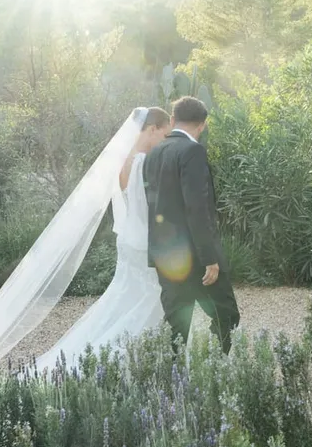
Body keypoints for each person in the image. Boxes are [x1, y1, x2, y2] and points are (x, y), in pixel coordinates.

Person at [32, 106, 170, 370]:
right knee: (150, 301)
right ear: (152, 129)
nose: (165, 143)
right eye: (164, 135)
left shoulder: (122, 162)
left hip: (127, 240)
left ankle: (100, 356)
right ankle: (133, 363)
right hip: (145, 243)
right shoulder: (145, 163)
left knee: (122, 300)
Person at [143, 96, 240, 354]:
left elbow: (152, 205)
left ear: (173, 119)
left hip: (165, 255)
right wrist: (209, 257)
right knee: (226, 314)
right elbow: (197, 208)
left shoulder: (154, 153)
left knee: (176, 326)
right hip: (195, 257)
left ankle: (172, 375)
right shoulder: (192, 151)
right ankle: (214, 367)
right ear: (203, 124)